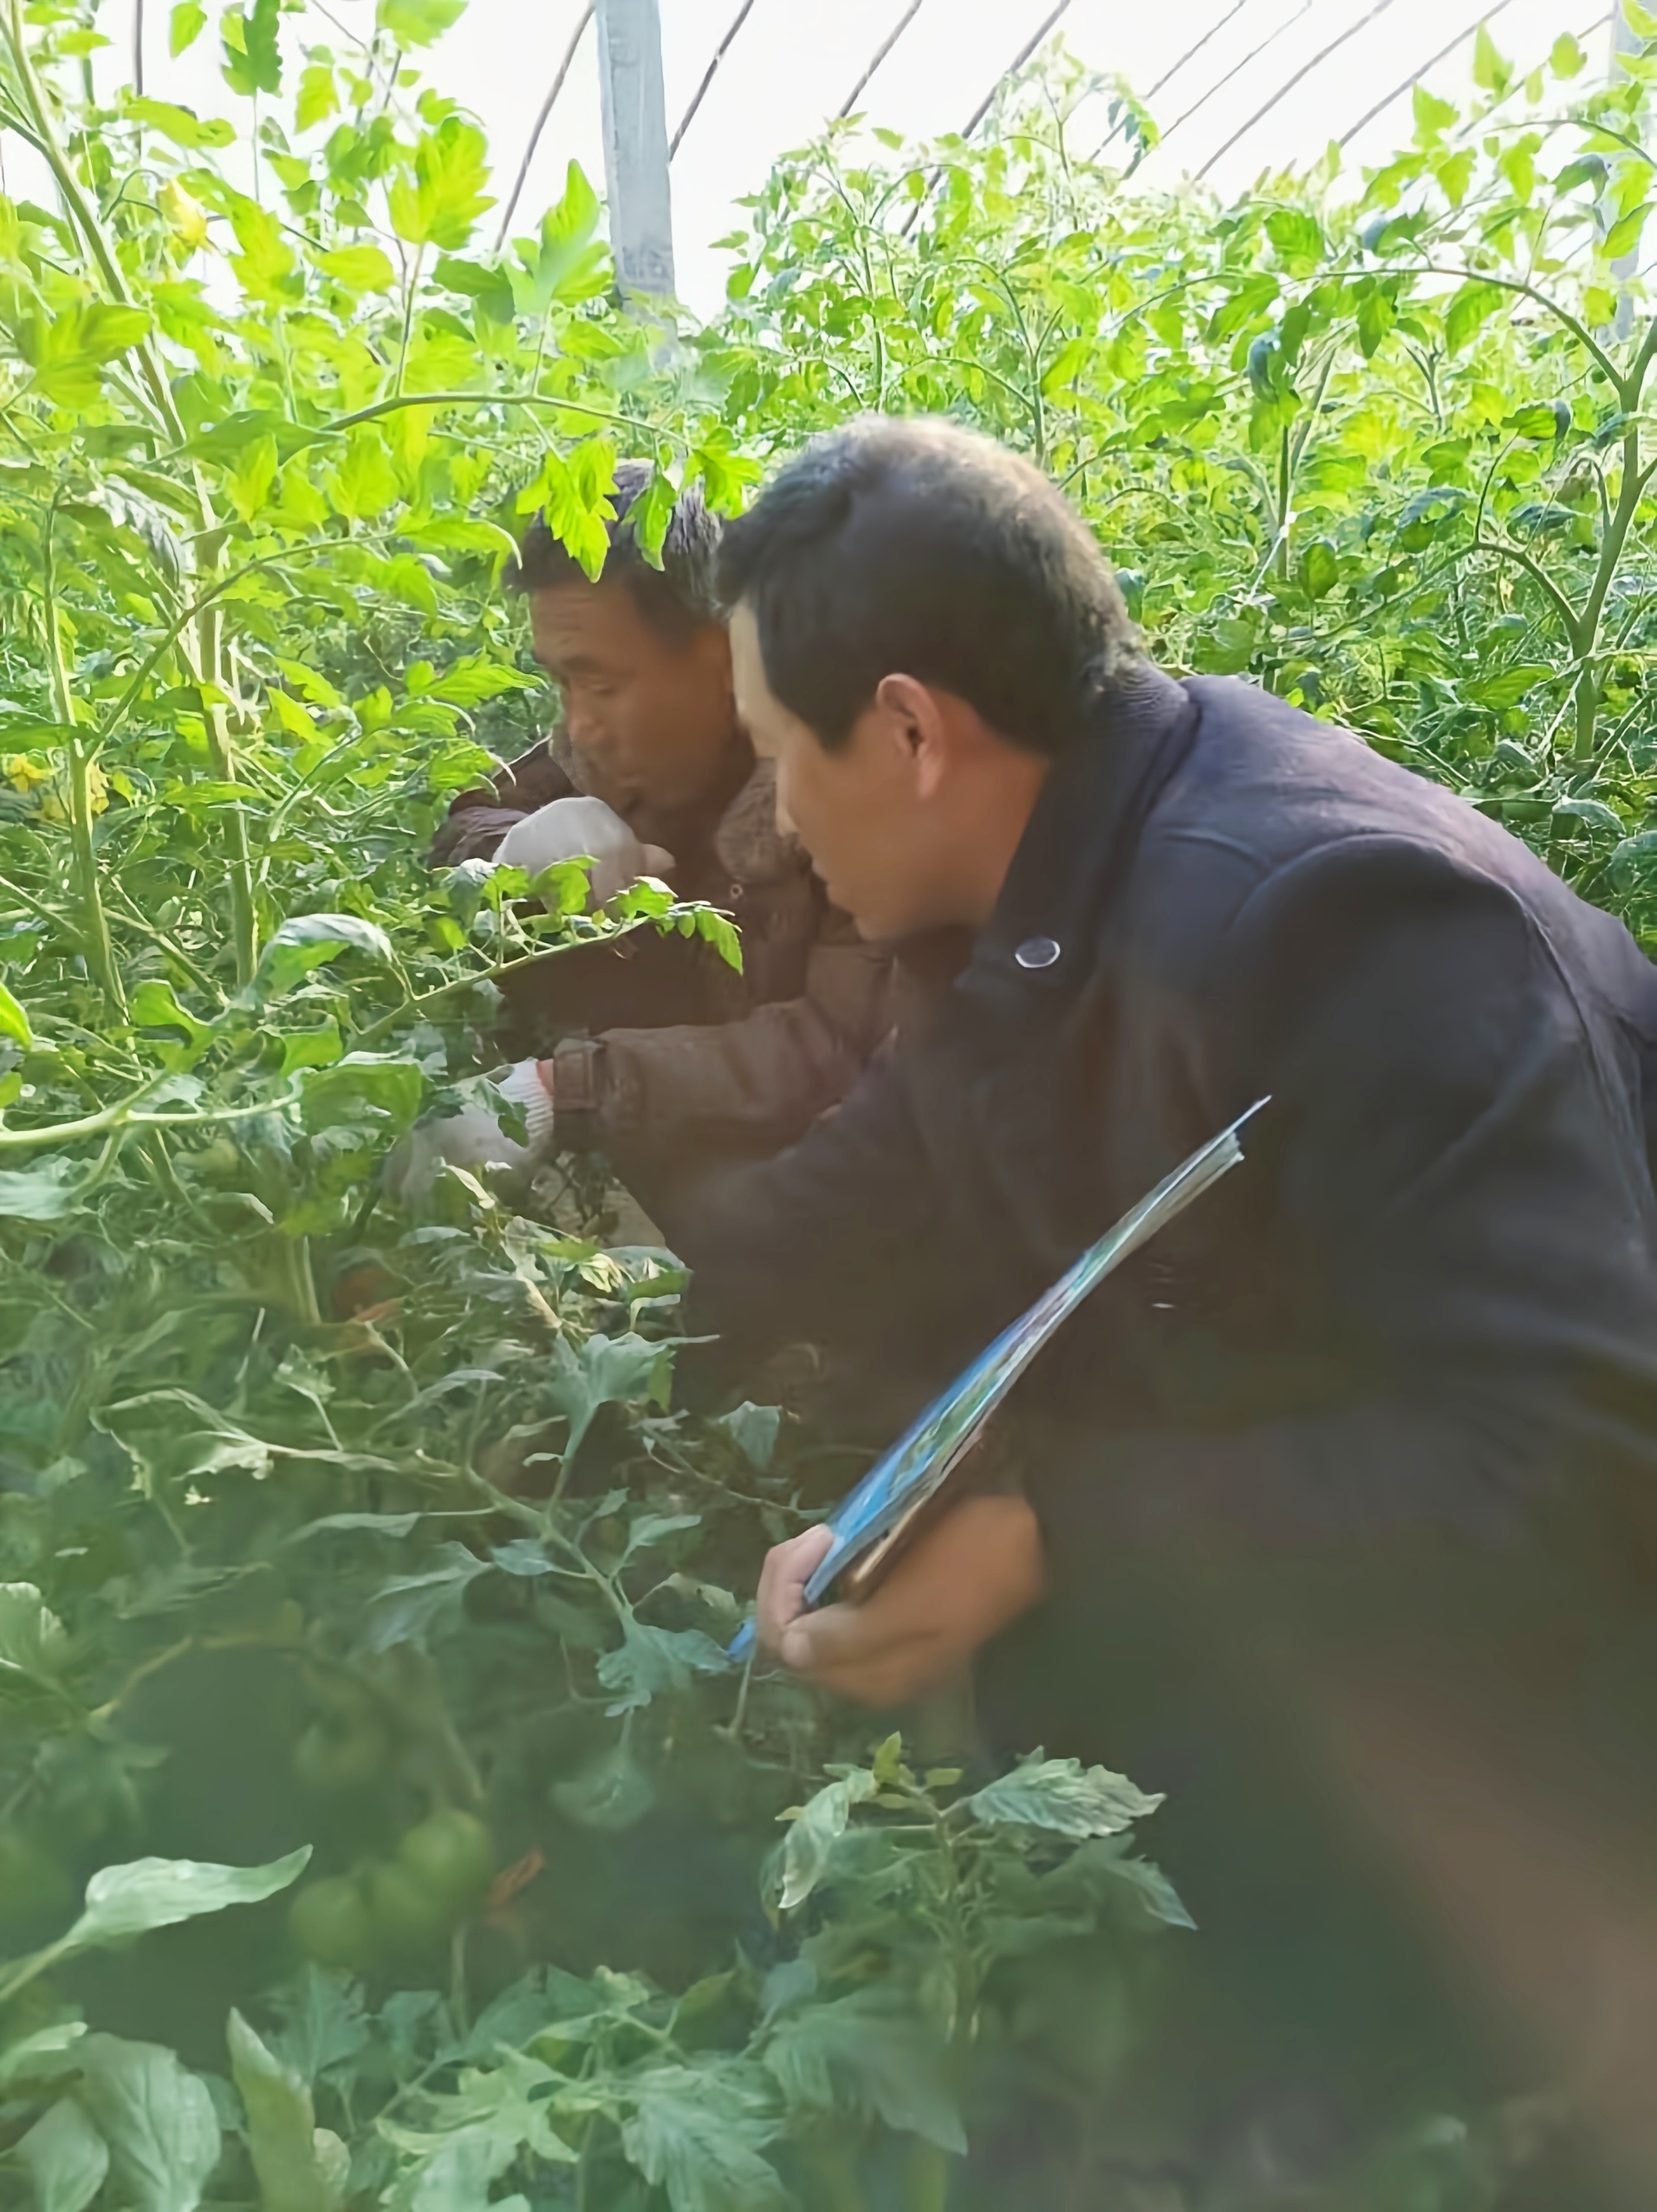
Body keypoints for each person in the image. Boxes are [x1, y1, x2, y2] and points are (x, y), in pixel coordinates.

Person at [653, 416, 1657, 2195]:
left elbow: (1566, 1469)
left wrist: (1051, 1535)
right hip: (1319, 1646)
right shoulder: (1039, 890)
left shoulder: (1345, 927)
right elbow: (870, 1177)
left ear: (904, 728)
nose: (776, 825)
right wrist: (597, 1340)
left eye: (770, 758)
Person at [417, 462, 894, 1194]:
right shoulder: (586, 753)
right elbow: (465, 821)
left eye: (602, 684)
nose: (578, 721)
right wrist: (509, 850)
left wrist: (567, 1089)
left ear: (722, 651)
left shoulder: (845, 778)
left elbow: (837, 1043)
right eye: (561, 681)